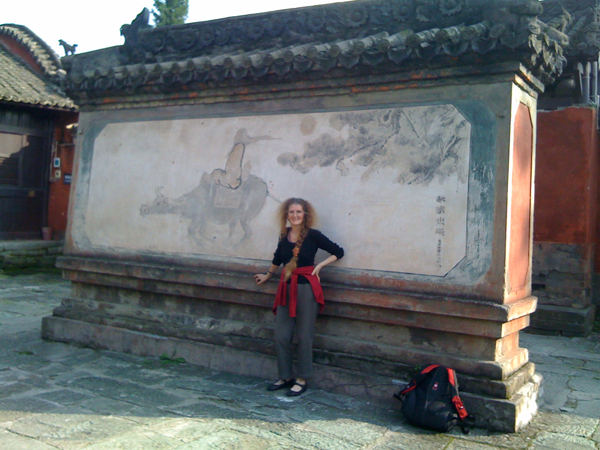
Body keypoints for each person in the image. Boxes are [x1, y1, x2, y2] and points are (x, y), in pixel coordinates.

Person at [254, 198, 344, 397]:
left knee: (304, 336)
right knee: (281, 335)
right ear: (287, 215)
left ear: (305, 215)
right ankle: (285, 376)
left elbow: (338, 251)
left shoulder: (313, 235)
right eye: (291, 212)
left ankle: (302, 379)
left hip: (306, 289)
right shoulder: (284, 235)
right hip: (286, 286)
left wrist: (319, 266)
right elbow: (278, 257)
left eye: (298, 212)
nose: (295, 215)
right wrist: (268, 275)